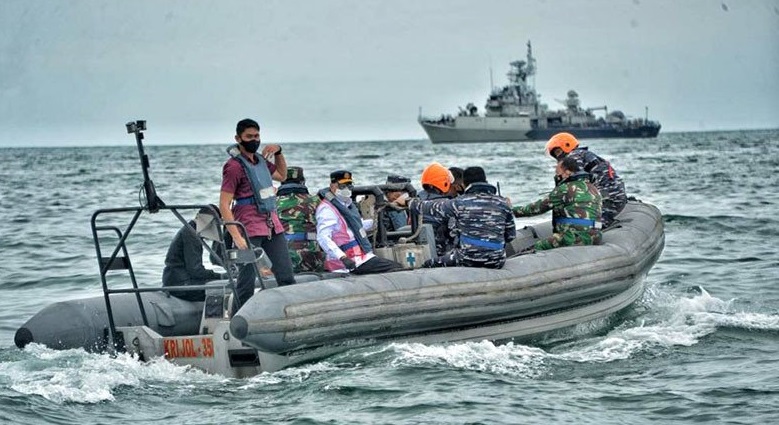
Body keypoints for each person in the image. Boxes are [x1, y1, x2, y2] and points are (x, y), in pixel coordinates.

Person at [219, 118, 296, 311]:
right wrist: (236, 236)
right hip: (248, 227)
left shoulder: (260, 161)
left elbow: (282, 175)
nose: (254, 140)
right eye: (249, 137)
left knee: (286, 275)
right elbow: (224, 204)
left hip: (271, 226)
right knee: (246, 280)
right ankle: (238, 320)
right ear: (238, 138)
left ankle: (289, 315)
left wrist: (279, 151)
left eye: (257, 136)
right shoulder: (234, 167)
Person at [396, 166, 516, 269]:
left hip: (467, 258)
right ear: (486, 181)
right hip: (497, 260)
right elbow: (510, 236)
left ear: (464, 184)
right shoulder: (504, 203)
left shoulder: (458, 203)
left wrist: (407, 201)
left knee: (428, 264)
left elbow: (428, 207)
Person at [316, 170, 403, 274]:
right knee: (396, 269)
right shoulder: (327, 209)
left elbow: (357, 226)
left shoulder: (346, 205)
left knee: (397, 267)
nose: (347, 189)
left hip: (361, 257)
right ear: (333, 186)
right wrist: (342, 257)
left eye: (349, 185)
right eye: (343, 186)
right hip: (347, 262)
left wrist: (376, 221)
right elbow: (323, 237)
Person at [513, 156, 603, 251]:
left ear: (567, 173)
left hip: (572, 237)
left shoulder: (565, 188)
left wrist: (511, 210)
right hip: (595, 236)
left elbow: (536, 208)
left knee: (538, 247)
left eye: (558, 173)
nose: (556, 176)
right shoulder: (594, 188)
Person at [545, 132, 627, 227]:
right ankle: (603, 220)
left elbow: (573, 184)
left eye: (558, 152)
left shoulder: (574, 157)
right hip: (616, 197)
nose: (558, 157)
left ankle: (601, 223)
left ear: (566, 146)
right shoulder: (583, 154)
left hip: (607, 199)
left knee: (579, 226)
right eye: (556, 154)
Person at [162, 206, 225, 302]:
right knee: (223, 289)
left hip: (176, 279)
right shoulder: (191, 234)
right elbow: (195, 270)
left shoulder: (190, 229)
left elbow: (213, 259)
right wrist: (219, 276)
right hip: (181, 283)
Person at [276, 166, 325, 273]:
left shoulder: (273, 203)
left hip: (286, 256)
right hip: (315, 256)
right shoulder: (316, 200)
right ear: (302, 182)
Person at [412, 162, 457, 256]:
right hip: (442, 254)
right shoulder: (447, 205)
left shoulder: (415, 201)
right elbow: (454, 235)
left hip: (419, 252)